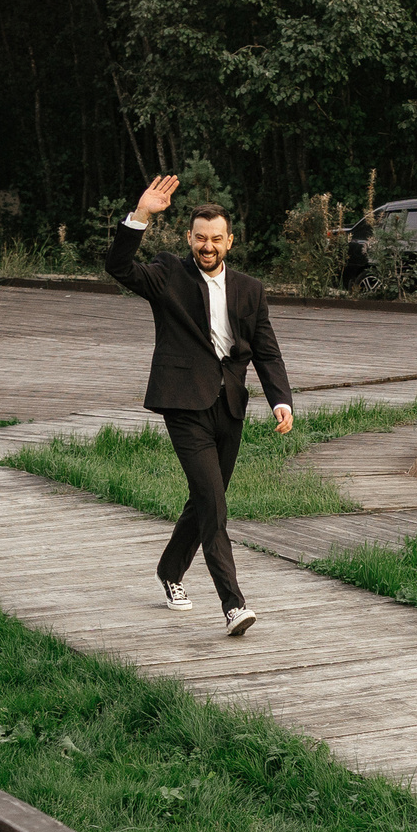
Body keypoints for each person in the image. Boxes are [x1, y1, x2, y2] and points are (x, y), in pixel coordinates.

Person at [106, 175, 293, 638]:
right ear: (188, 238)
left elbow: (266, 350)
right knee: (214, 504)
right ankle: (234, 604)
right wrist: (141, 216)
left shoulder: (250, 289)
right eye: (200, 238)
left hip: (230, 406)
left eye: (216, 239)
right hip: (183, 403)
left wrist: (280, 400)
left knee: (206, 499)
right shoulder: (168, 274)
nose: (207, 246)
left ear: (230, 241)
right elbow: (119, 266)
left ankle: (170, 570)